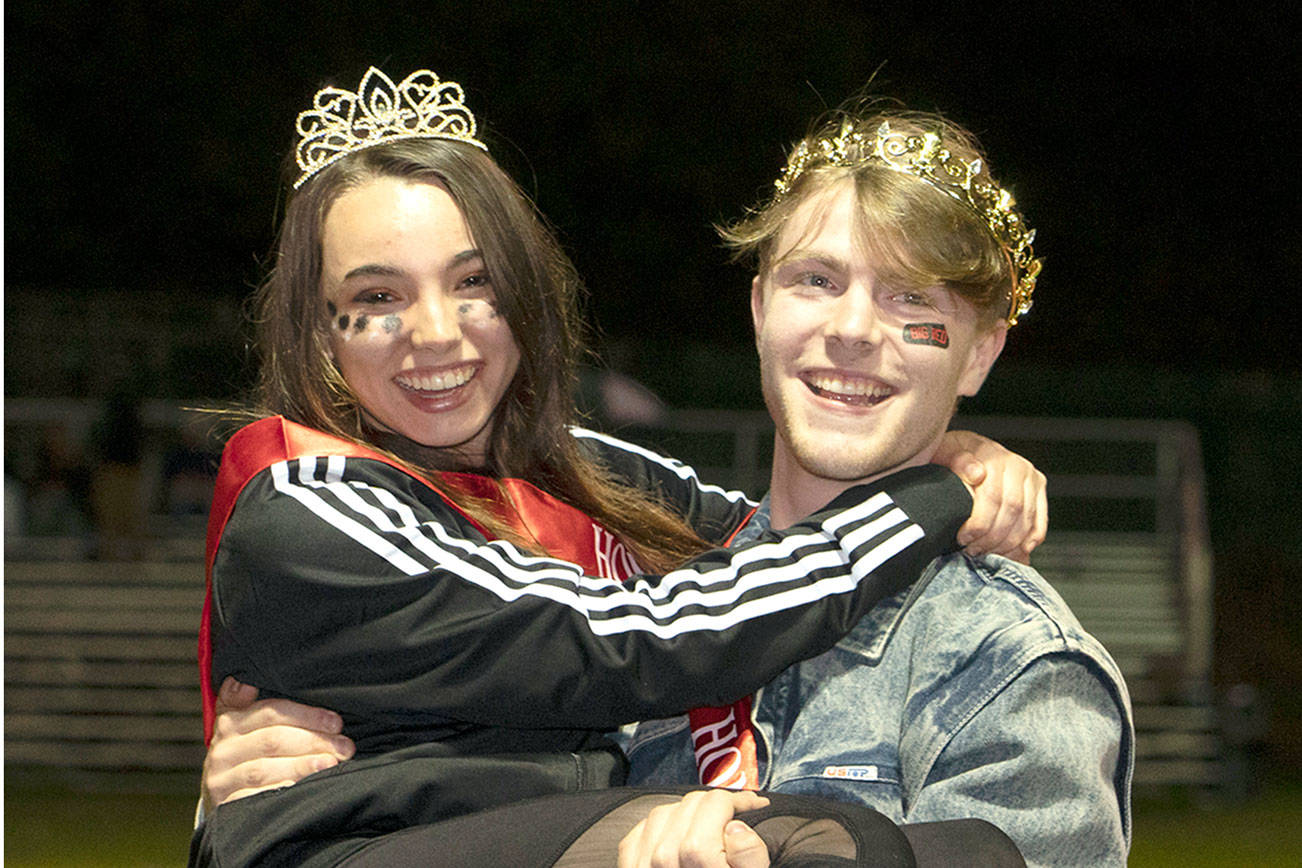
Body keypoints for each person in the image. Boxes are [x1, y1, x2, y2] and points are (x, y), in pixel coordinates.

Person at [190, 68, 1044, 867]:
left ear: (526, 293)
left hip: (530, 837)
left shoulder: (563, 467)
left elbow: (758, 536)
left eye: (474, 282)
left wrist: (953, 452)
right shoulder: (307, 501)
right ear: (316, 326)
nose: (437, 333)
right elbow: (628, 639)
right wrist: (935, 494)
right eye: (377, 299)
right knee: (802, 844)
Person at [618, 109, 1133, 867]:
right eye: (817, 280)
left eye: (911, 298)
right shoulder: (632, 594)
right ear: (761, 310)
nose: (854, 327)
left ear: (980, 356)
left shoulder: (1012, 666)